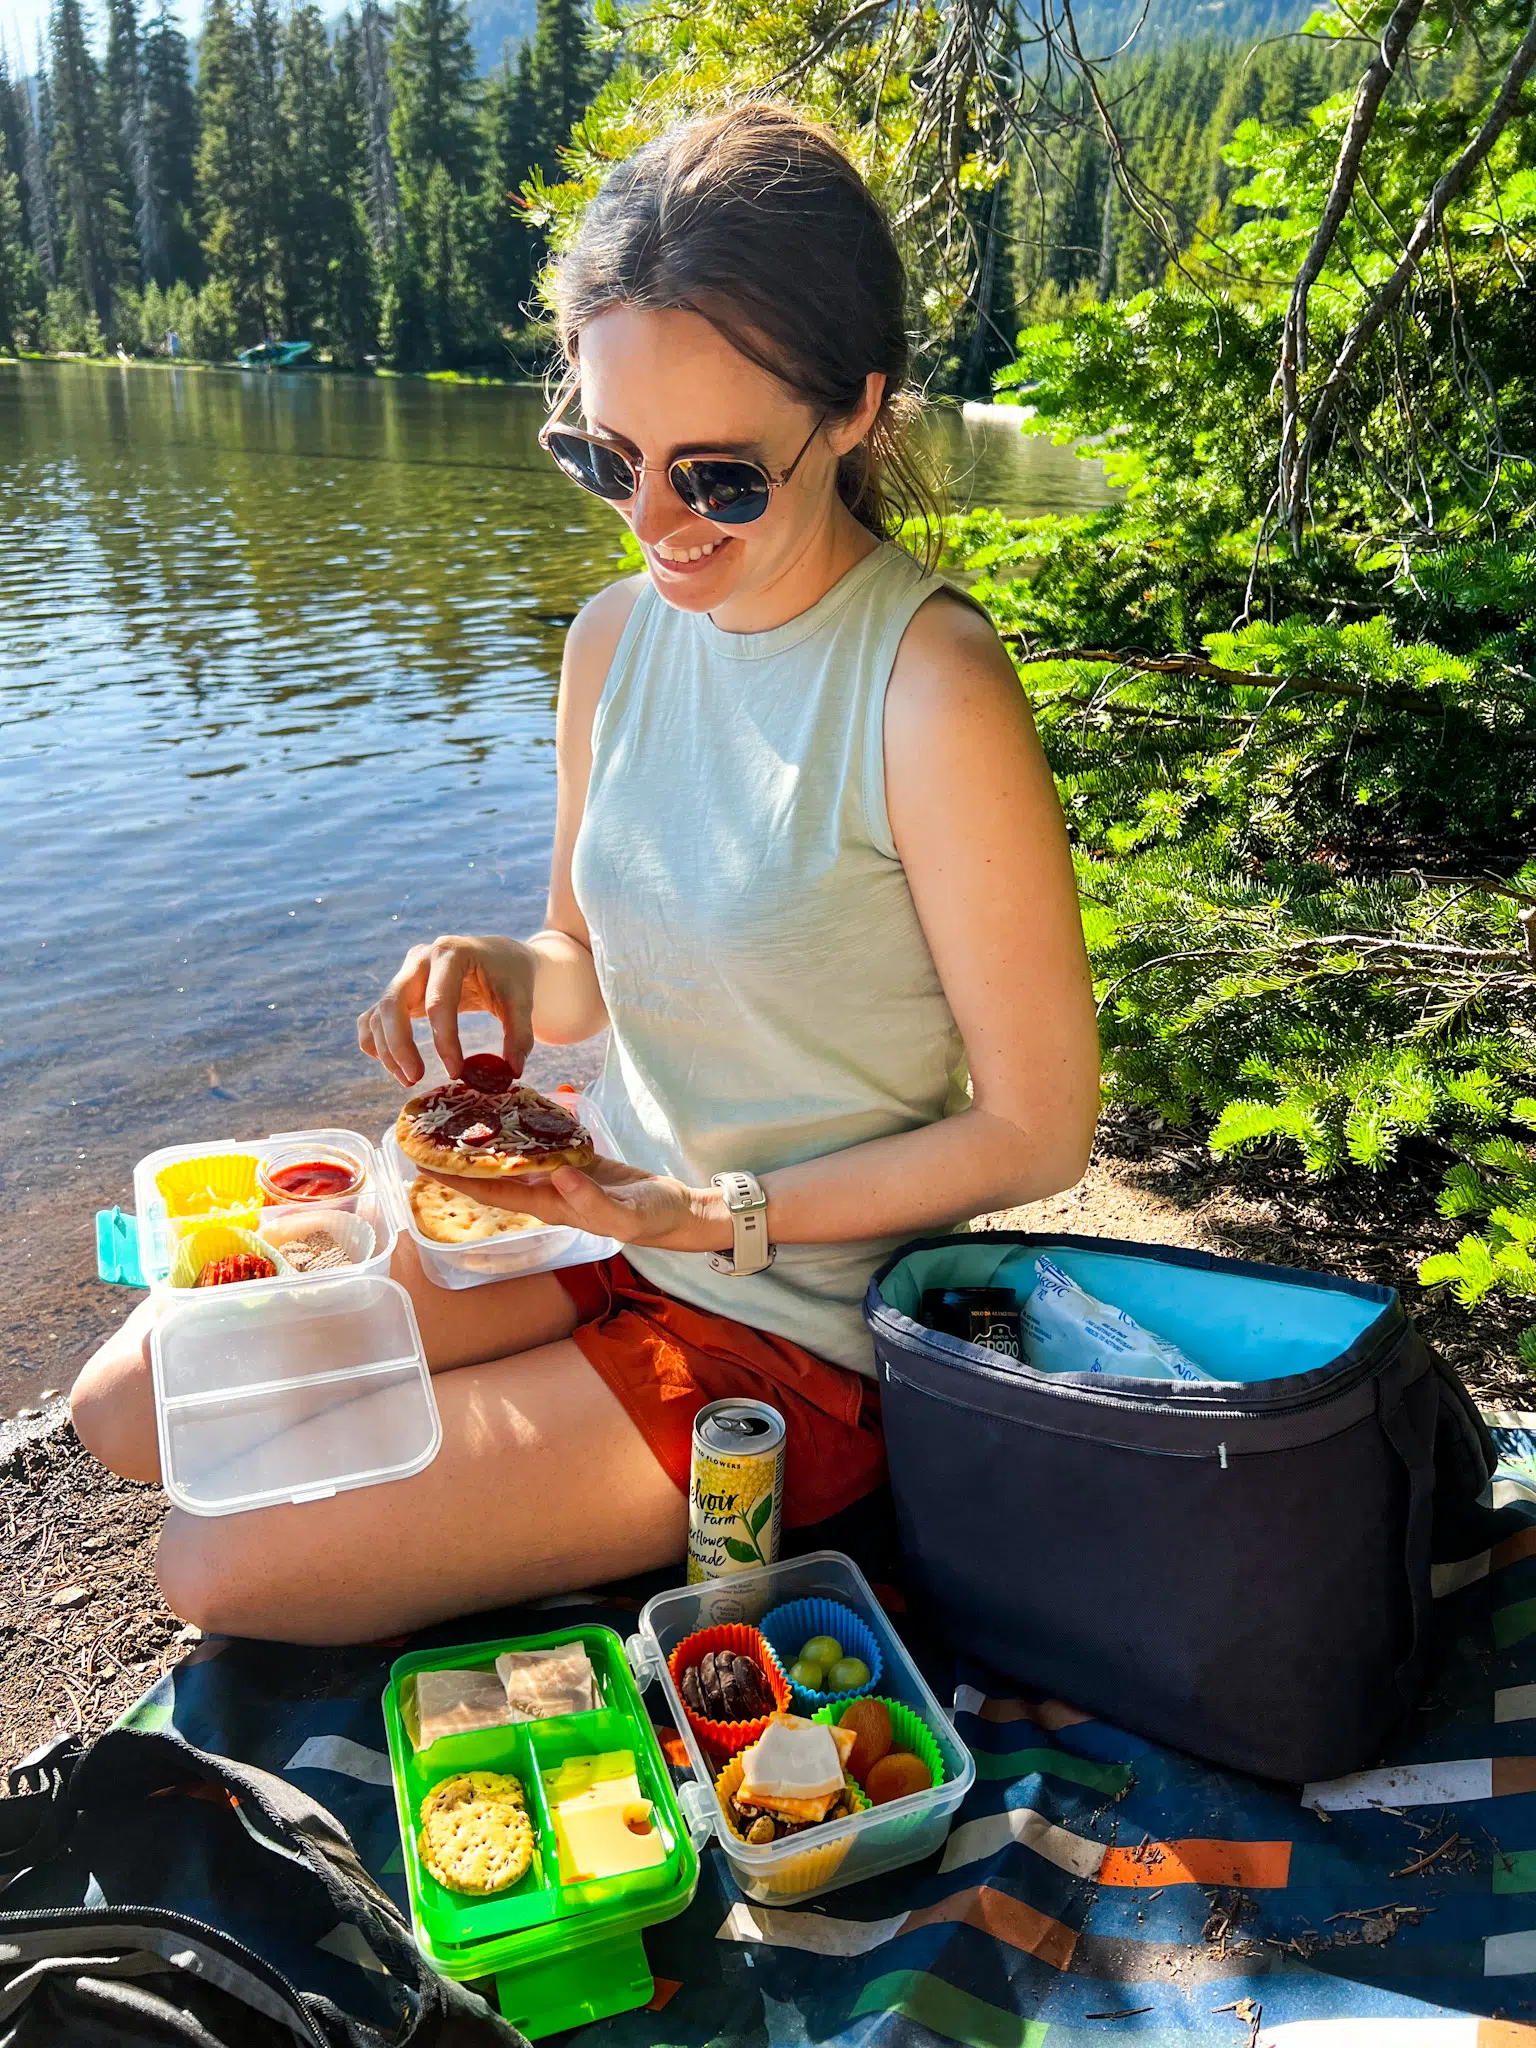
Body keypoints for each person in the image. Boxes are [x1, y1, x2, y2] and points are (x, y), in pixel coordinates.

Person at [70, 104, 1099, 1644]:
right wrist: (496, 962)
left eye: (720, 478)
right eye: (608, 457)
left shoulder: (928, 686)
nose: (657, 523)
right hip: (584, 1223)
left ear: (854, 410)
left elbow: (1040, 1126)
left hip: (788, 1322)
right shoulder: (613, 640)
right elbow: (582, 964)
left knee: (214, 1566)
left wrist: (707, 1212)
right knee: (127, 1410)